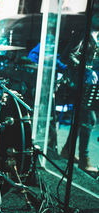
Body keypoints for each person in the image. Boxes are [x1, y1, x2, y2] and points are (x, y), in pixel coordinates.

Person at [59, 3, 99, 177]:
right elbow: (67, 56)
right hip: (77, 83)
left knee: (81, 118)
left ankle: (67, 150)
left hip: (89, 84)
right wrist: (87, 70)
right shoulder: (83, 35)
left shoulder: (96, 36)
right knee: (88, 119)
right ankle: (84, 160)